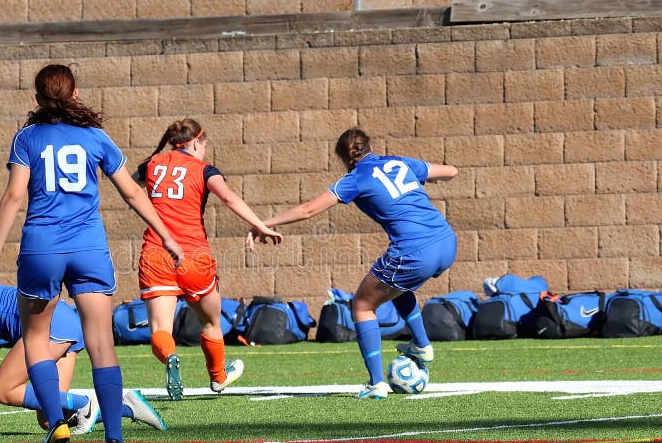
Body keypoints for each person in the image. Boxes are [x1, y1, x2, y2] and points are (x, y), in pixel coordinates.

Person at [0, 64, 183, 443]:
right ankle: (116, 440)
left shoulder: (27, 139)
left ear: (37, 99)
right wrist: (166, 235)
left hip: (42, 249)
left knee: (36, 339)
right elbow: (134, 194)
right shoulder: (95, 137)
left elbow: (13, 198)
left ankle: (55, 423)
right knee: (101, 343)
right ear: (74, 95)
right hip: (89, 248)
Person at [253, 128, 458, 399]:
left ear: (346, 158)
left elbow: (308, 210)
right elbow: (451, 171)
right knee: (394, 286)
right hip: (446, 242)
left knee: (362, 304)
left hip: (414, 251)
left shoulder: (355, 177)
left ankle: (377, 383)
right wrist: (421, 180)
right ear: (369, 146)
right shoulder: (399, 163)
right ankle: (420, 346)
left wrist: (265, 224)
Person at [0, 270, 167, 439]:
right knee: (50, 418)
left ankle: (88, 403)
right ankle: (128, 407)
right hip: (65, 321)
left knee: (3, 391)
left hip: (49, 326)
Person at [136, 118, 281, 401]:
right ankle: (218, 377)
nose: (205, 149)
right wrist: (260, 225)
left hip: (156, 253)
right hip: (193, 257)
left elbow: (131, 189)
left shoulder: (151, 164)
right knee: (211, 322)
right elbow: (228, 198)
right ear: (194, 143)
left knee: (160, 330)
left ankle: (170, 357)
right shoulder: (204, 170)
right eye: (204, 144)